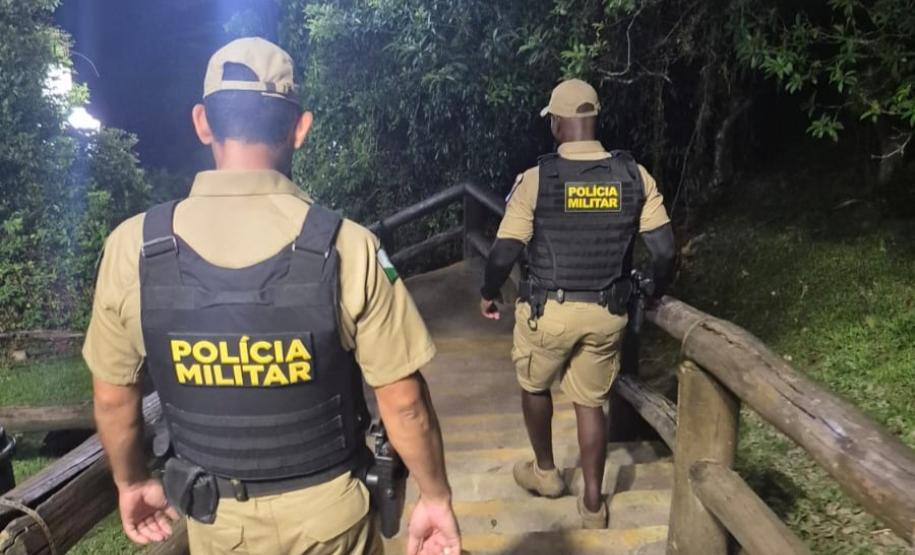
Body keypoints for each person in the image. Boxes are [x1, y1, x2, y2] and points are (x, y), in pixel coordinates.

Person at [83, 37, 461, 555]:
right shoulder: (348, 245)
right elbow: (405, 403)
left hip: (217, 522)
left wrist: (130, 483)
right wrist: (435, 497)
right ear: (300, 129)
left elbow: (112, 398)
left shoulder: (135, 248)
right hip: (331, 519)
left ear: (202, 122)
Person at [478, 79, 676, 529]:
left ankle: (546, 473)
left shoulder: (537, 179)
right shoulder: (633, 176)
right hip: (607, 312)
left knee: (534, 386)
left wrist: (489, 293)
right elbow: (664, 251)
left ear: (557, 124)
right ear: (594, 119)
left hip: (549, 311)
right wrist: (654, 288)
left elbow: (504, 251)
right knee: (590, 403)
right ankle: (592, 504)